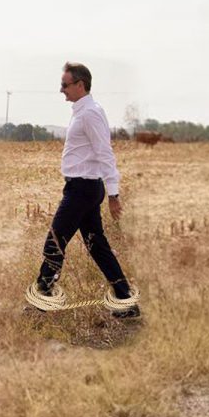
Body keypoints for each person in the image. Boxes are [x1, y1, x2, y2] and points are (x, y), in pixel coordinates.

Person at [34, 62, 140, 318]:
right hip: (83, 188)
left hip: (82, 189)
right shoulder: (83, 110)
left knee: (55, 242)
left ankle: (42, 298)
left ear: (80, 85)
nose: (61, 90)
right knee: (97, 245)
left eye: (65, 85)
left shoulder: (90, 113)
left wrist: (114, 194)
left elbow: (105, 153)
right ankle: (126, 301)